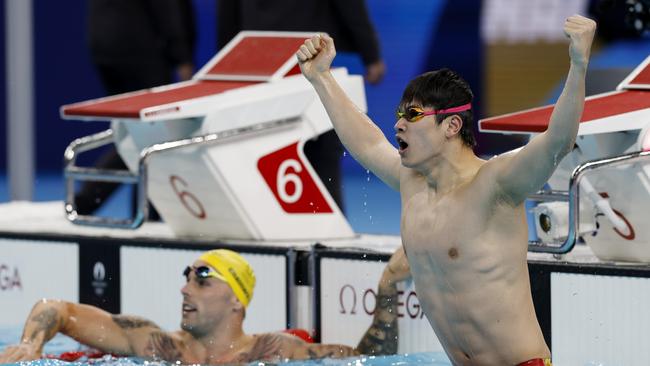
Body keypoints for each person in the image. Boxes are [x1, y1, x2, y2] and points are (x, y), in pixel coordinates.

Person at [295, 15, 596, 366]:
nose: (398, 124)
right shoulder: (412, 184)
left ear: (452, 125)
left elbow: (558, 143)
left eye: (413, 114)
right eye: (399, 113)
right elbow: (367, 142)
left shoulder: (494, 185)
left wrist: (578, 64)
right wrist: (321, 78)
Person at [0, 248, 410, 364]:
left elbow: (370, 360)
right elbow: (57, 309)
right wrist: (32, 345)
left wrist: (388, 286)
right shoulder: (154, 345)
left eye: (202, 278)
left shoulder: (275, 351)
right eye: (185, 276)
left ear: (237, 300)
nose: (184, 289)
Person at [217, 0, 386, 211]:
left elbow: (227, 13)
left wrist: (229, 60)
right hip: (307, 56)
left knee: (265, 148)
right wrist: (371, 54)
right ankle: (327, 231)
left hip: (256, 59)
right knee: (320, 151)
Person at [75, 0, 196, 218]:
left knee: (135, 133)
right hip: (141, 48)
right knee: (151, 135)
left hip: (106, 45)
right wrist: (182, 55)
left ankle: (105, 202)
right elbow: (166, 8)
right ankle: (93, 200)